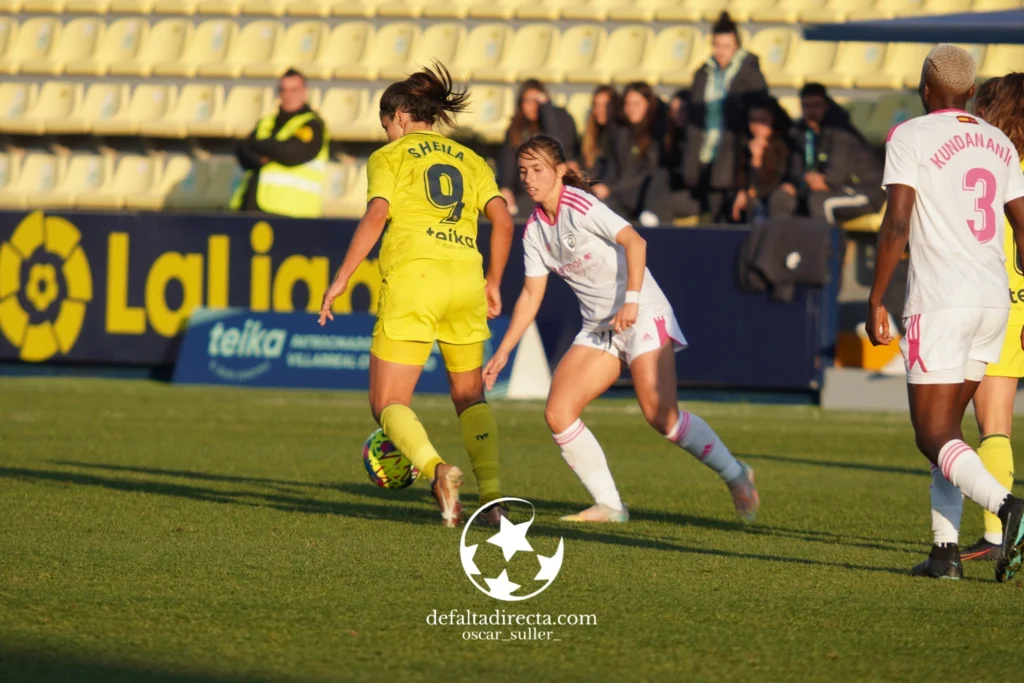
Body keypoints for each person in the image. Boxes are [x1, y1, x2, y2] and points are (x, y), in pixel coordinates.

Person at [482, 135, 760, 523]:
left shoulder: (581, 206)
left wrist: (631, 299)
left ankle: (736, 474)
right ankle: (611, 506)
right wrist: (504, 350)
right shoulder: (533, 230)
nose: (530, 178)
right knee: (558, 412)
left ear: (561, 171)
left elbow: (636, 241)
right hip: (600, 327)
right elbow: (531, 295)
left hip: (642, 310)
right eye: (524, 171)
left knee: (661, 417)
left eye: (539, 169)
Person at [317, 64, 515, 528]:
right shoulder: (471, 159)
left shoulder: (390, 158)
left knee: (387, 403)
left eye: (386, 125)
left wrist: (343, 275)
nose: (386, 134)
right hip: (466, 278)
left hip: (415, 280)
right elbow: (504, 221)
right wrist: (494, 281)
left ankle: (437, 471)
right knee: (471, 397)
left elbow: (377, 214)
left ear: (401, 116)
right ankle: (494, 500)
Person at [866, 46, 1024, 582]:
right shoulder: (998, 141)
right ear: (969, 90)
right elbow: (1022, 225)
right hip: (992, 299)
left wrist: (875, 297)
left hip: (941, 299)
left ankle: (1009, 509)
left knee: (930, 434)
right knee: (951, 433)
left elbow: (896, 223)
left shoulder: (910, 135)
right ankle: (944, 553)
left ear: (924, 86)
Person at [963, 73, 1024, 562]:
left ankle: (996, 529)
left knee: (988, 425)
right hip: (1019, 301)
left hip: (989, 298)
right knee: (997, 421)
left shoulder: (994, 162)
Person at [684, 12, 768, 222]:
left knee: (730, 214)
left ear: (736, 46)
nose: (720, 51)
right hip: (706, 151)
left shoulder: (750, 75)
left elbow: (759, 114)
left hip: (734, 156)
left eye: (726, 46)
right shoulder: (703, 73)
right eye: (717, 45)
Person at [231, 68, 329, 218]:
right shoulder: (267, 121)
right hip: (251, 207)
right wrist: (264, 154)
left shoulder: (312, 125)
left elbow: (289, 153)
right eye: (283, 90)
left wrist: (258, 145)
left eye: (294, 90)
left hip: (291, 214)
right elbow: (241, 149)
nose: (288, 95)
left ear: (305, 92)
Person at [788, 83, 884, 225]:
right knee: (785, 199)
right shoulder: (800, 133)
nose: (811, 111)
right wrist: (802, 180)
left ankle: (824, 247)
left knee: (820, 203)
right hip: (834, 190)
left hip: (864, 191)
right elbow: (795, 170)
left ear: (826, 106)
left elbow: (834, 179)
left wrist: (815, 180)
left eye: (816, 105)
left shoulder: (841, 132)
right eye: (806, 106)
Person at [497, 79, 578, 217]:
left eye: (537, 101)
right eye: (527, 101)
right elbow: (508, 163)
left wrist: (546, 108)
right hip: (525, 192)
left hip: (554, 190)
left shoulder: (558, 120)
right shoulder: (515, 129)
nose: (532, 106)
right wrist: (505, 187)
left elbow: (559, 145)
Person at [591, 81, 668, 226]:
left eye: (637, 104)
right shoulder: (619, 131)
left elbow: (650, 172)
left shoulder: (656, 134)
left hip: (642, 196)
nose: (631, 109)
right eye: (628, 104)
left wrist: (611, 188)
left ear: (648, 105)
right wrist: (603, 187)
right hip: (618, 195)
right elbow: (612, 168)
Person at [732, 95, 796, 222]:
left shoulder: (785, 145)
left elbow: (780, 181)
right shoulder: (744, 146)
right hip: (754, 204)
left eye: (763, 120)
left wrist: (758, 161)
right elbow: (742, 180)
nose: (757, 126)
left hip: (776, 204)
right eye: (752, 120)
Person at [580, 85, 619, 180]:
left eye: (605, 105)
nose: (599, 110)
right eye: (596, 105)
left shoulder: (620, 136)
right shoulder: (590, 135)